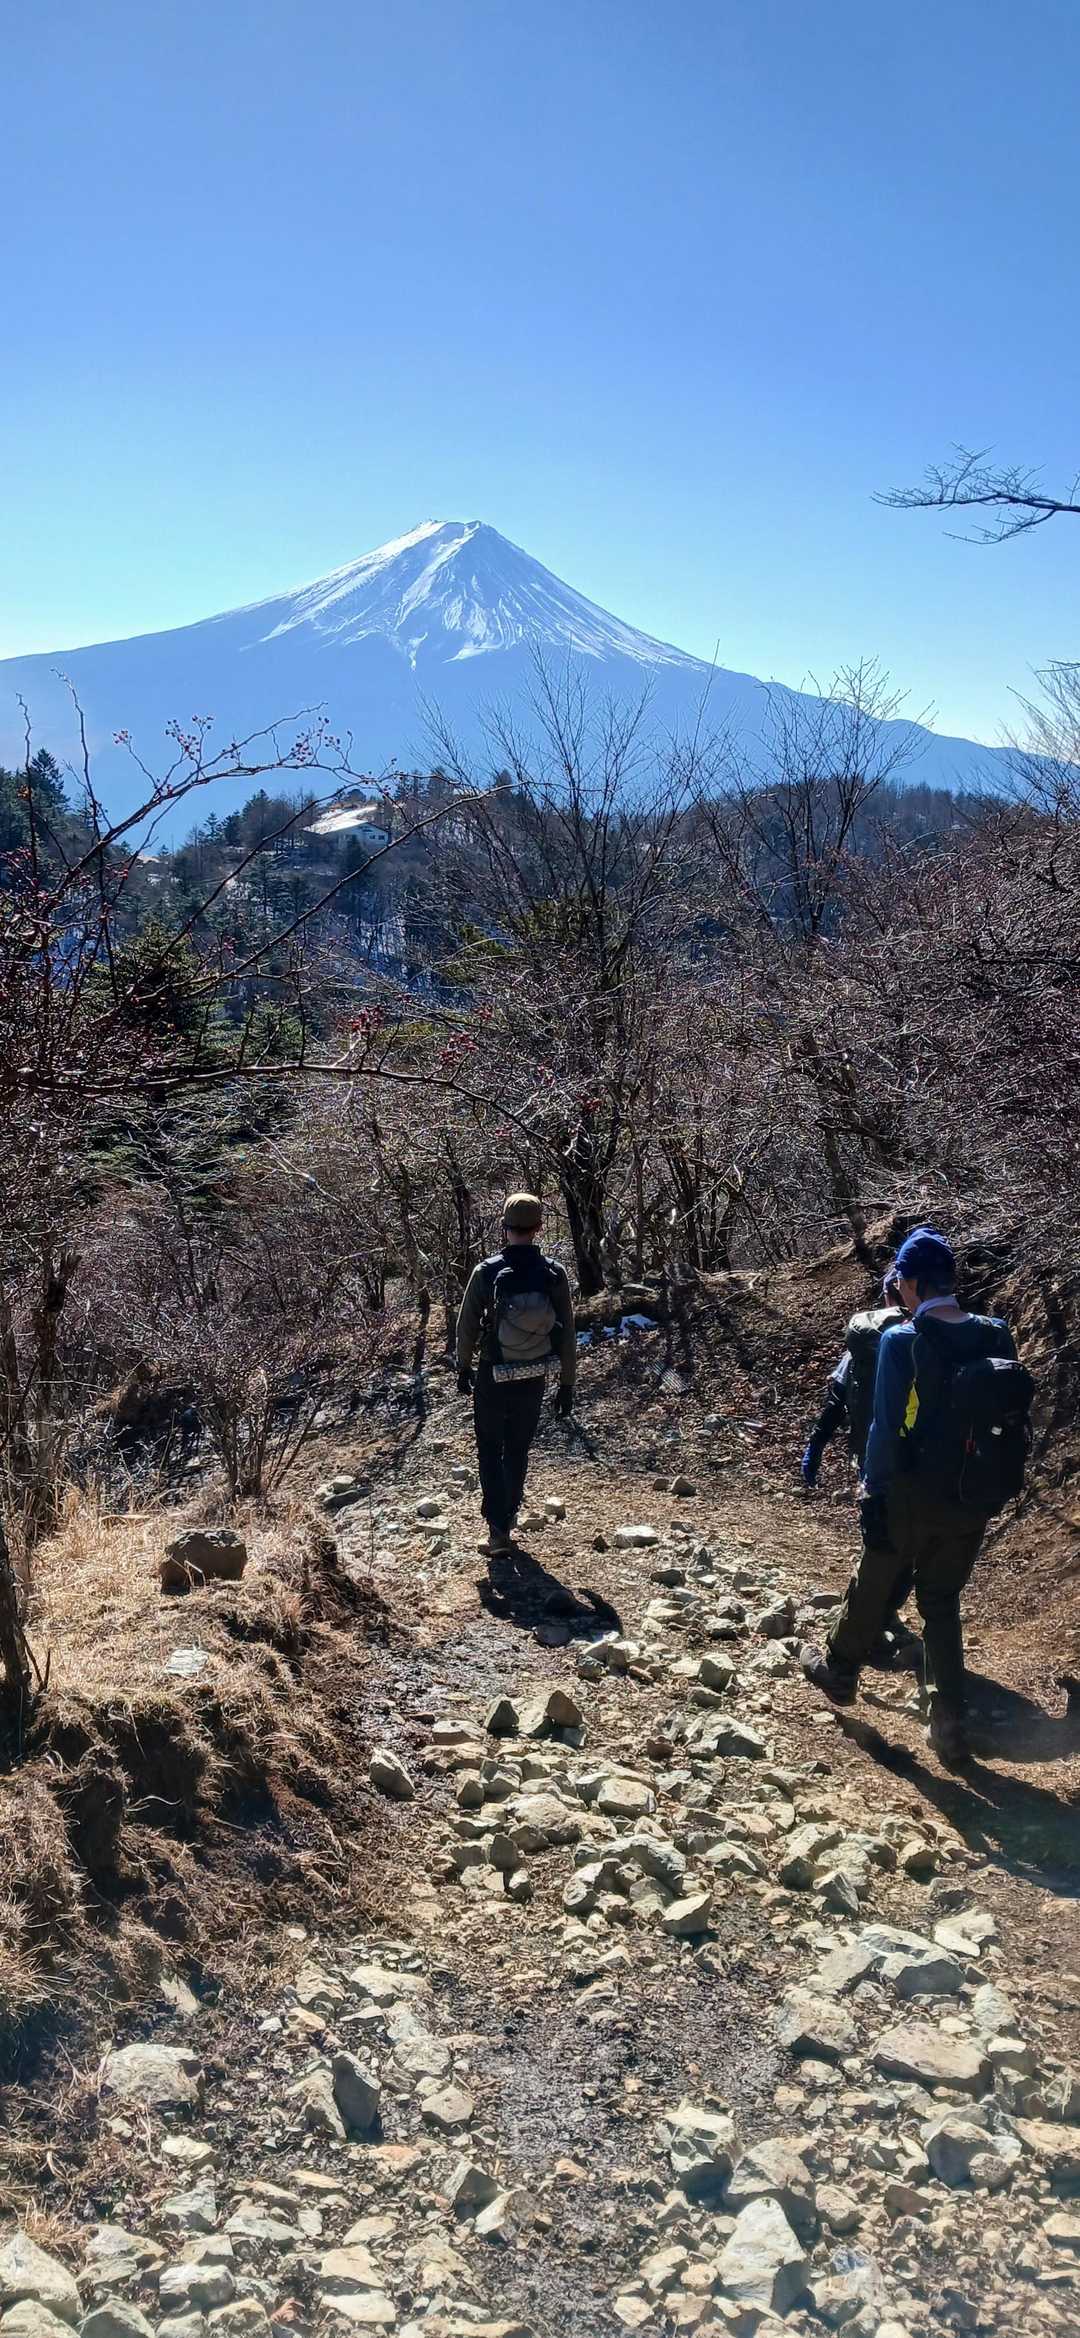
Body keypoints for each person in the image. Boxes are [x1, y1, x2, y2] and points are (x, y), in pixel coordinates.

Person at [803, 1225, 1031, 1768]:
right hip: (973, 1494)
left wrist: (872, 1490)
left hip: (910, 1491)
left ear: (909, 1283)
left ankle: (839, 1670)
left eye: (901, 1282)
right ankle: (948, 1723)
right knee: (941, 1602)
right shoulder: (996, 1333)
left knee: (875, 1573)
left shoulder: (901, 1340)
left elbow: (885, 1426)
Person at [801, 1280, 919, 1669]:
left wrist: (816, 1445)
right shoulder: (936, 1338)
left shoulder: (866, 1342)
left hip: (874, 1460)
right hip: (925, 1467)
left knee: (877, 1549)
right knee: (909, 1550)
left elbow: (837, 1399)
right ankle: (884, 1617)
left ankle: (862, 1636)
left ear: (891, 1295)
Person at [455, 1193, 577, 1558]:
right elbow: (567, 1331)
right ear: (539, 1227)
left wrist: (463, 1366)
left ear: (504, 1227)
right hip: (533, 1374)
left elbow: (466, 1326)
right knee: (518, 1449)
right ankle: (508, 1517)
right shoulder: (554, 1273)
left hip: (494, 1372)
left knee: (490, 1449)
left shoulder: (486, 1271)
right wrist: (567, 1383)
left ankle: (497, 1532)